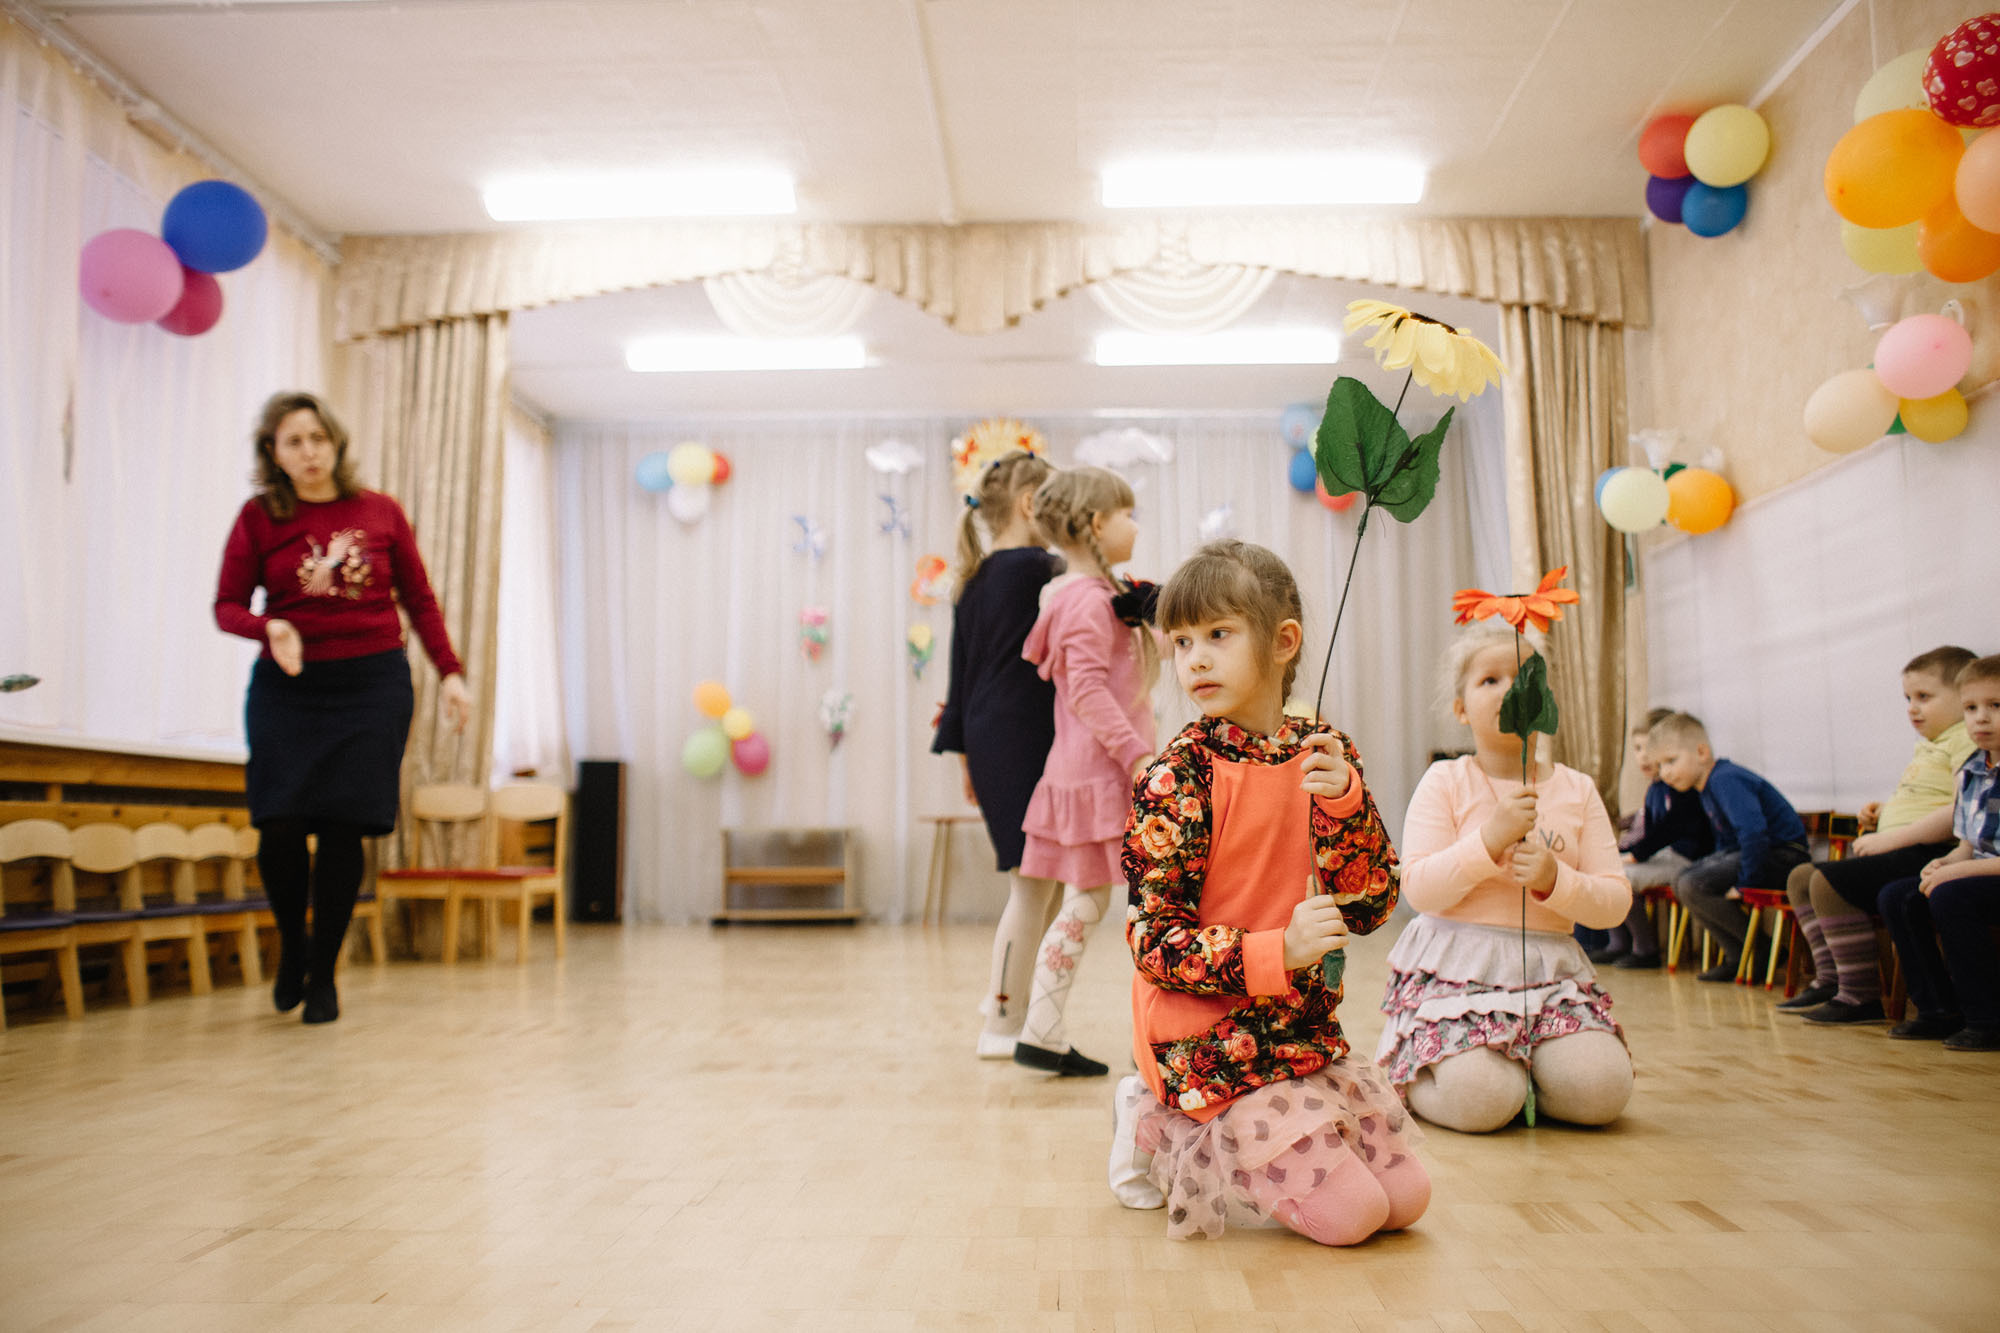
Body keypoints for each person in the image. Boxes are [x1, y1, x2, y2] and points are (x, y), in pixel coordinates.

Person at [1115, 540, 1426, 1243]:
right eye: (1182, 640)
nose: (1195, 659)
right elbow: (1153, 944)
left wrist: (1345, 803)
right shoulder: (1177, 776)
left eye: (1218, 635)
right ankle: (1151, 1111)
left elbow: (1372, 906)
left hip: (1300, 1030)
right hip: (1209, 1037)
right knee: (1353, 1214)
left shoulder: (1323, 751)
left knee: (1407, 1200)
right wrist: (1277, 950)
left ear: (1284, 642)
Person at [213, 392, 470, 1024]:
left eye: (318, 438)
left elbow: (419, 598)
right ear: (273, 453)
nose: (309, 452)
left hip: (371, 685)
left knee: (342, 827)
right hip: (289, 686)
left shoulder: (380, 511)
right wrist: (268, 627)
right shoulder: (258, 517)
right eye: (294, 441)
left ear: (336, 443)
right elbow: (227, 605)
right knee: (277, 824)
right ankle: (293, 945)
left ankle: (324, 972)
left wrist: (450, 673)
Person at [1378, 623, 1634, 1134]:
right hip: (1457, 975)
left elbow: (1614, 902)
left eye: (1525, 677)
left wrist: (1555, 880)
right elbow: (1419, 888)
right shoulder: (1446, 781)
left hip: (1551, 975)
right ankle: (1414, 1074)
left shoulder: (1578, 789)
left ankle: (1528, 1074)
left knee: (1603, 1091)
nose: (1511, 690)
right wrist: (1487, 842)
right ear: (1461, 708)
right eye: (1490, 680)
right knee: (1481, 1100)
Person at [1011, 466, 1157, 1077]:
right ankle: (1055, 1031)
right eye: (1127, 514)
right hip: (1101, 773)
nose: (1135, 526)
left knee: (1090, 900)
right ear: (1097, 523)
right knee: (1102, 902)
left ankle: (1042, 1030)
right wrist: (1136, 755)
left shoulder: (1091, 596)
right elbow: (1088, 692)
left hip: (1093, 770)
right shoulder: (1087, 603)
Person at [930, 450, 1062, 1058]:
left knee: (1040, 885)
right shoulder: (1040, 568)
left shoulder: (976, 578)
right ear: (1031, 505)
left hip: (994, 742)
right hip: (1019, 738)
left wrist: (969, 762)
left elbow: (960, 682)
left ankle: (1004, 999)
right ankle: (1002, 1025)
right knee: (1034, 887)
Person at [1783, 646, 1977, 1022]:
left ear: (1962, 696)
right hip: (1906, 845)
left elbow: (1959, 811)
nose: (1913, 708)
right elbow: (1924, 800)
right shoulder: (1930, 746)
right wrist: (1883, 815)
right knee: (1800, 878)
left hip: (1933, 851)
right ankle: (1830, 978)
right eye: (1908, 699)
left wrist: (1890, 838)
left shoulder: (1964, 740)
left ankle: (1859, 995)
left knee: (1828, 883)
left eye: (1924, 697)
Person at [1876, 654, 2000, 1050]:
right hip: (1981, 873)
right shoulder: (1972, 770)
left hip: (1989, 878)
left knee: (1950, 895)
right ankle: (1937, 1009)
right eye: (1971, 708)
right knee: (1898, 896)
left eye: (1995, 706)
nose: (1981, 718)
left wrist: (1955, 873)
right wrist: (1945, 863)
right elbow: (1968, 845)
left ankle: (1987, 1019)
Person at [1650, 712, 1809, 983]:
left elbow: (1753, 833)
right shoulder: (1707, 787)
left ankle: (1761, 949)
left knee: (1691, 883)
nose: (1664, 773)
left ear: (1701, 752)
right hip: (1757, 854)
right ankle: (1739, 956)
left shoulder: (1725, 779)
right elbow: (1727, 842)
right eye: (1660, 766)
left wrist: (1747, 881)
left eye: (1671, 761)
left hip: (1784, 856)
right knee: (1681, 880)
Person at [1602, 708, 1713, 969]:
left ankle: (1645, 949)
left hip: (1687, 858)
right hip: (1667, 856)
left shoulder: (1679, 787)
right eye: (1638, 749)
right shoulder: (1656, 789)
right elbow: (1652, 831)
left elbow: (1668, 829)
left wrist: (1635, 855)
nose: (1644, 756)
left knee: (1622, 879)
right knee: (1606, 872)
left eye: (1648, 749)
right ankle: (1618, 943)